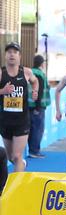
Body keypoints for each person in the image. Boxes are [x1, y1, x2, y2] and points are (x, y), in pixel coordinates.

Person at [0, 42, 39, 173]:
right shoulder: (1, 73)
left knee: (17, 156)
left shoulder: (26, 72)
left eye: (15, 52)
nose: (12, 54)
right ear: (5, 55)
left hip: (22, 121)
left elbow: (35, 81)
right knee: (12, 157)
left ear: (19, 56)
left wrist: (35, 91)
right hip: (5, 121)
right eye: (9, 52)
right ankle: (22, 164)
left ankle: (18, 189)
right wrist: (2, 91)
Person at [28, 54, 50, 158]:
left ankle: (31, 150)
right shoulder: (39, 74)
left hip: (29, 105)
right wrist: (37, 107)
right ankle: (34, 151)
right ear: (42, 63)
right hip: (37, 106)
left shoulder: (30, 72)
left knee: (31, 129)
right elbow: (39, 91)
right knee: (37, 129)